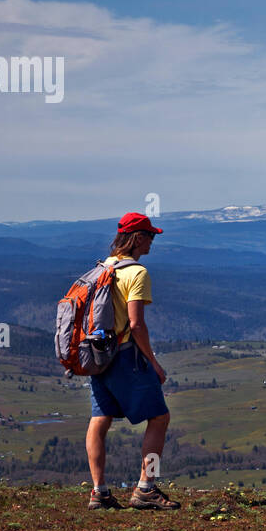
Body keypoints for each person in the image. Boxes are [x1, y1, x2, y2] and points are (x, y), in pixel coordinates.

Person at [85, 212, 179, 510]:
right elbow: (136, 324)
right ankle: (145, 488)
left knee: (100, 420)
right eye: (150, 235)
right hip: (126, 355)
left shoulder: (103, 268)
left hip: (99, 355)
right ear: (137, 238)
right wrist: (153, 362)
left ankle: (99, 491)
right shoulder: (136, 273)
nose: (153, 240)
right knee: (160, 417)